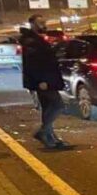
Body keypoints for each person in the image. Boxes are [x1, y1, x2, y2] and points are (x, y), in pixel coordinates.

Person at [20, 15, 69, 149]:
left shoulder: (36, 39)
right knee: (58, 105)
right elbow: (34, 63)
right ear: (32, 24)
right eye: (40, 22)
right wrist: (41, 80)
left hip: (47, 78)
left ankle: (50, 137)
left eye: (44, 21)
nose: (43, 24)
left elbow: (44, 57)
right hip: (44, 80)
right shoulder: (31, 40)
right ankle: (43, 132)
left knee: (47, 107)